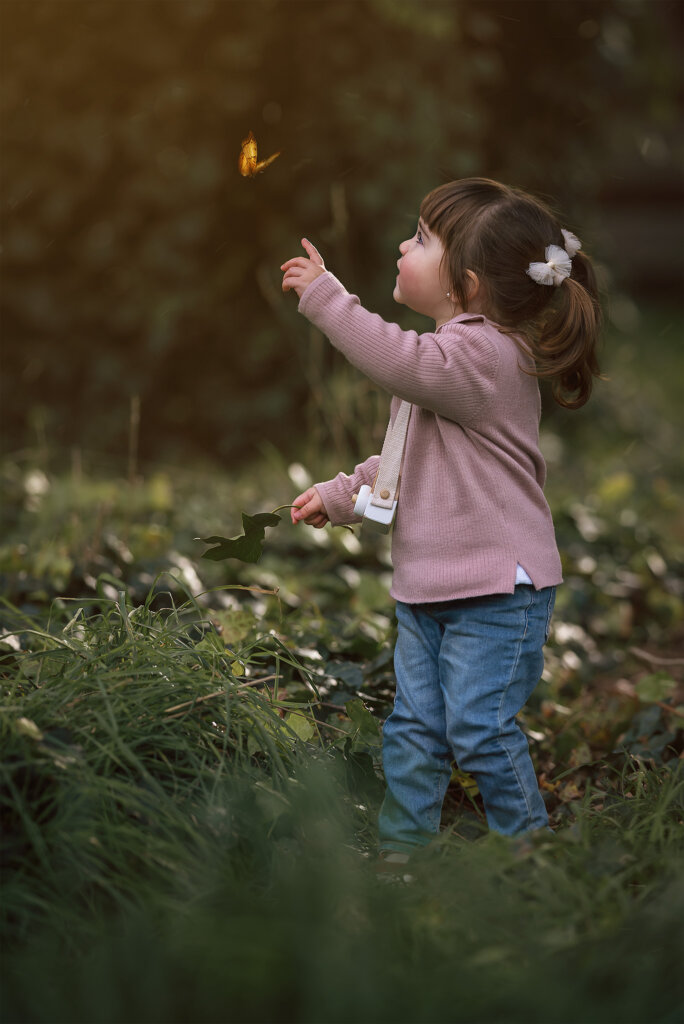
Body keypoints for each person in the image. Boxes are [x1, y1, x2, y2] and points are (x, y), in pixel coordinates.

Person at [280, 178, 601, 860]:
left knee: (479, 729)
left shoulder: (483, 354)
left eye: (422, 239)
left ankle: (529, 853)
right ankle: (405, 854)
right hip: (429, 590)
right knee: (416, 728)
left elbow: (394, 359)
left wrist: (326, 297)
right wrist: (341, 494)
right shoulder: (447, 362)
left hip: (495, 592)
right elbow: (405, 456)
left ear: (470, 284)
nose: (404, 244)